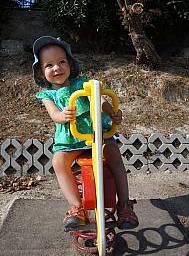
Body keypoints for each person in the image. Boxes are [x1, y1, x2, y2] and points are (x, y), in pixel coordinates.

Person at [32, 36, 139, 230]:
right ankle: (76, 207)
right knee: (58, 162)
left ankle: (124, 205)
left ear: (70, 64)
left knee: (114, 155)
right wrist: (62, 115)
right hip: (70, 140)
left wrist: (111, 112)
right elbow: (53, 114)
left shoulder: (83, 83)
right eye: (49, 65)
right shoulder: (48, 95)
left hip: (97, 135)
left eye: (61, 62)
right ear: (41, 71)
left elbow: (98, 100)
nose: (57, 68)